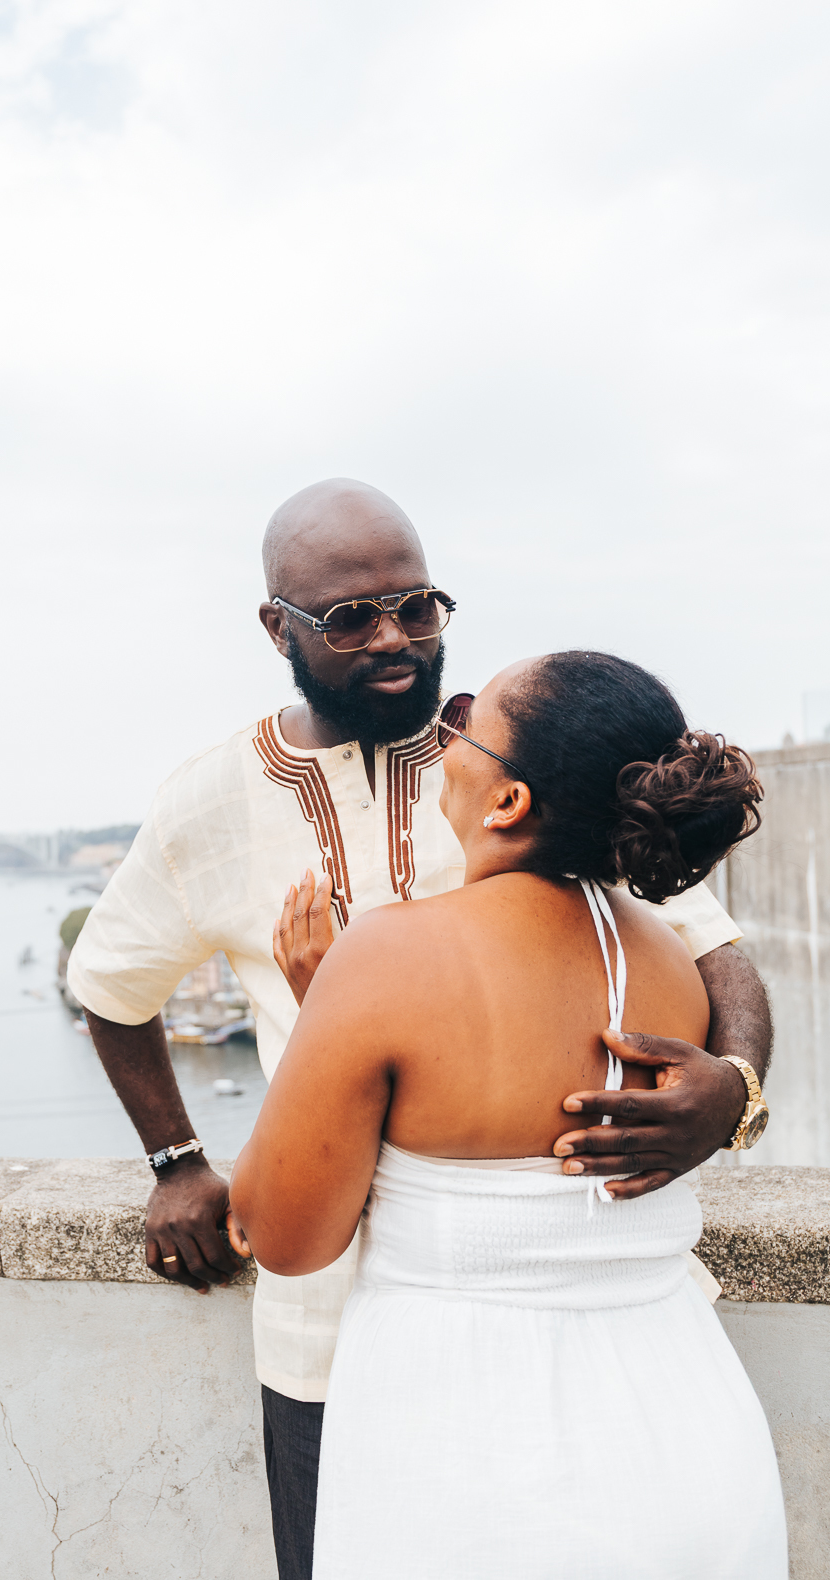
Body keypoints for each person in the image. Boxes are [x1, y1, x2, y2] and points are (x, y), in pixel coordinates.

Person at [67, 480, 773, 1580]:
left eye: (420, 606)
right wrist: (174, 1159)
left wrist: (734, 1089)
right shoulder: (211, 800)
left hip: (456, 1383)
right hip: (395, 1355)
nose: (396, 638)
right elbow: (109, 984)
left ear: (502, 797)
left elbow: (727, 963)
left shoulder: (520, 768)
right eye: (351, 616)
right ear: (279, 628)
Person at [230, 652, 786, 1579]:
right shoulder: (664, 957)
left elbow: (281, 1233)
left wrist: (319, 1010)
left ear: (508, 802)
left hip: (469, 1459)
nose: (442, 743)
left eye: (463, 726)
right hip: (690, 1433)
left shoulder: (386, 958)